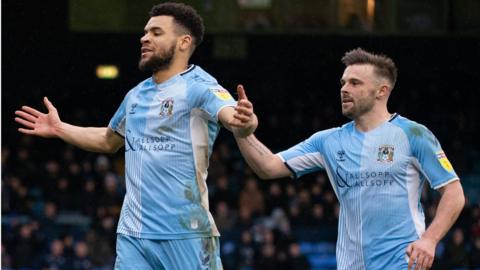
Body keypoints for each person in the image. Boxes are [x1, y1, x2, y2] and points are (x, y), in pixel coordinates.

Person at [14, 2, 257, 269]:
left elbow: (235, 118)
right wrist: (61, 128)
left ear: (184, 42)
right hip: (133, 235)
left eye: (156, 32)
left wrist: (246, 120)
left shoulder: (200, 87)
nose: (144, 38)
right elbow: (108, 140)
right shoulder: (135, 95)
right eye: (145, 32)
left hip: (186, 234)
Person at [233, 48, 465, 270]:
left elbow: (454, 193)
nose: (344, 89)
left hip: (402, 264)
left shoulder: (413, 134)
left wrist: (429, 240)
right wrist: (242, 131)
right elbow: (267, 167)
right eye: (343, 83)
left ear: (381, 91)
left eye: (355, 83)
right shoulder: (328, 141)